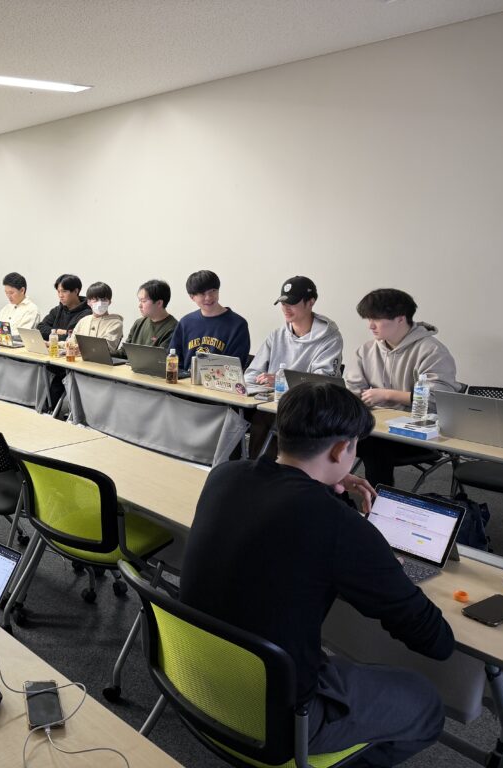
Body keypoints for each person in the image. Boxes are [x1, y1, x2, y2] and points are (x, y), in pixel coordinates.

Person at [181, 383, 452, 766]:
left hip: (192, 674)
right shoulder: (338, 525)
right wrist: (385, 566)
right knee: (425, 703)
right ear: (342, 450)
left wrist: (328, 486)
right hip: (278, 718)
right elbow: (435, 641)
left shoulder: (225, 475)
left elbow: (290, 510)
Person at [346, 288, 462, 487]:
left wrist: (387, 395)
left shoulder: (431, 351)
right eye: (368, 319)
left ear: (401, 318)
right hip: (377, 426)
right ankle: (335, 496)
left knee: (373, 446)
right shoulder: (366, 350)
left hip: (418, 433)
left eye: (376, 319)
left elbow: (439, 400)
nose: (370, 326)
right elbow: (353, 390)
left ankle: (378, 500)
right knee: (328, 436)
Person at [245, 276, 344, 385]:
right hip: (270, 395)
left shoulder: (331, 339)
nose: (286, 308)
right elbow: (252, 373)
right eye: (283, 303)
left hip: (308, 396)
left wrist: (280, 382)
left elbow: (322, 384)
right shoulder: (276, 336)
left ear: (311, 302)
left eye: (292, 303)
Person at [167, 270, 250, 372]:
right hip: (186, 380)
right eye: (202, 294)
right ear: (192, 297)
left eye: (213, 291)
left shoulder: (238, 325)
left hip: (219, 380)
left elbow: (234, 366)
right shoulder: (186, 322)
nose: (209, 297)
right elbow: (173, 359)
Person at [122, 279, 178, 352]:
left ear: (159, 303)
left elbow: (160, 357)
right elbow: (124, 351)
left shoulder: (173, 329)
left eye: (143, 301)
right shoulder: (138, 323)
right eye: (139, 301)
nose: (139, 306)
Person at [71, 281, 124, 354]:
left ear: (109, 302)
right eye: (95, 299)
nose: (100, 303)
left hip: (101, 361)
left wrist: (81, 348)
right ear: (88, 302)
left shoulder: (115, 323)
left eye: (104, 299)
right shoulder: (83, 321)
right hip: (78, 360)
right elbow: (72, 342)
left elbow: (106, 348)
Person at [36, 274, 91, 340]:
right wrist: (57, 331)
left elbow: (73, 337)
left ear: (76, 291)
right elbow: (40, 328)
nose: (60, 295)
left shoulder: (87, 313)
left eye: (64, 291)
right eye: (58, 291)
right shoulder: (57, 310)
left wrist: (53, 334)